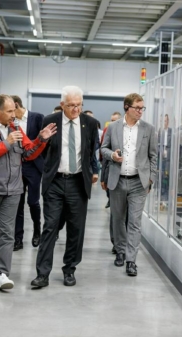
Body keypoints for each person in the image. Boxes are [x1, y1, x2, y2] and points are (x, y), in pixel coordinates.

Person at [0, 94, 56, 290]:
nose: (14, 115)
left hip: (13, 189)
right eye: (10, 111)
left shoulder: (16, 128)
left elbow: (28, 152)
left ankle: (2, 273)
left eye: (15, 110)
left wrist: (40, 140)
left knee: (7, 232)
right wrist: (6, 143)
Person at [31, 85, 99, 288]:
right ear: (62, 105)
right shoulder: (50, 121)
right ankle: (42, 274)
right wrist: (42, 142)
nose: (75, 109)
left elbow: (91, 152)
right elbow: (40, 149)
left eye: (79, 105)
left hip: (78, 182)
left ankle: (70, 269)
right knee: (50, 227)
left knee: (76, 229)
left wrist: (94, 171)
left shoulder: (90, 123)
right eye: (71, 105)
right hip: (55, 182)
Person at [101, 93, 157, 276]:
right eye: (137, 108)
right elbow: (103, 148)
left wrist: (151, 179)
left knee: (134, 222)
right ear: (127, 107)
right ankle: (120, 250)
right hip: (117, 180)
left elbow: (153, 156)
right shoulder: (114, 127)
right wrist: (112, 156)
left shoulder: (148, 129)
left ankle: (131, 260)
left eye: (142, 108)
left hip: (138, 182)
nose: (141, 111)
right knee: (117, 219)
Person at [12, 95, 45, 251]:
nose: (10, 114)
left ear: (17, 105)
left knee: (33, 202)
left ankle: (37, 231)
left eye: (12, 110)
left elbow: (45, 140)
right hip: (17, 166)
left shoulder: (37, 117)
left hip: (33, 166)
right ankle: (18, 238)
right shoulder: (12, 122)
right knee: (17, 204)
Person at [100, 112, 122, 253]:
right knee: (115, 212)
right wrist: (103, 178)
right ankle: (116, 242)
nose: (112, 122)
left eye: (115, 120)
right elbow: (104, 157)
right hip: (111, 177)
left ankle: (123, 243)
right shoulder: (109, 131)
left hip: (129, 178)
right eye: (111, 120)